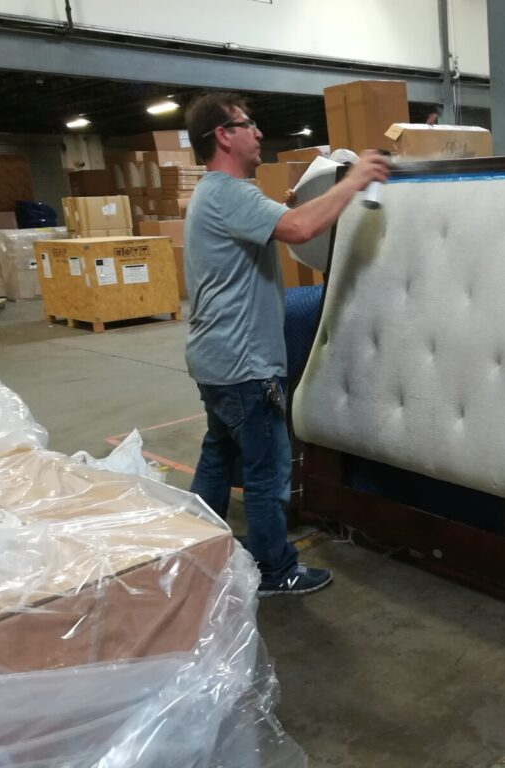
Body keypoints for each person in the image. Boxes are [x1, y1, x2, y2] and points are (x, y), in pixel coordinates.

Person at [183, 92, 390, 597]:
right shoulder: (230, 193)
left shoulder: (215, 193)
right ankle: (275, 571)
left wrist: (300, 201)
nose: (258, 133)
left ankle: (194, 552)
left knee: (218, 457)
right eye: (247, 124)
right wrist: (356, 179)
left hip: (215, 358)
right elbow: (299, 229)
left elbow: (286, 219)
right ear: (222, 136)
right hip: (245, 362)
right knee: (267, 472)